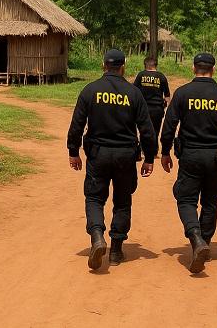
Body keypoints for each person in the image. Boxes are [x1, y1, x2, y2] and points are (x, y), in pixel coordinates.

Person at [67, 49, 158, 270]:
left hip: (98, 154)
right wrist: (149, 157)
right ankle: (116, 250)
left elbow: (77, 124)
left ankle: (97, 236)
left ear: (103, 65)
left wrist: (73, 151)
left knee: (95, 198)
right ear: (123, 66)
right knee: (123, 201)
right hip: (126, 156)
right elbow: (146, 129)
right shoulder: (133, 93)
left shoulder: (90, 90)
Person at [160, 52, 217, 274]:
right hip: (215, 158)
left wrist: (165, 152)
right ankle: (204, 241)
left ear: (193, 68)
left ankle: (196, 237)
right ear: (213, 70)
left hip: (190, 156)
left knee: (186, 199)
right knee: (210, 200)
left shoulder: (182, 94)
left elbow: (169, 125)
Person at [133, 56, 171, 141]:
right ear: (156, 65)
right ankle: (154, 149)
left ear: (145, 65)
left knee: (143, 130)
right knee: (155, 130)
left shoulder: (141, 75)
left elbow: (134, 91)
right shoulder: (161, 76)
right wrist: (165, 106)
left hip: (143, 109)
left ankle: (144, 148)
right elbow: (167, 96)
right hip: (157, 109)